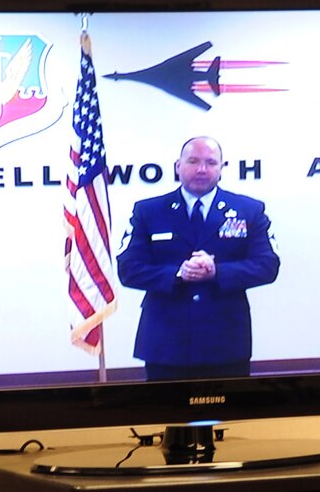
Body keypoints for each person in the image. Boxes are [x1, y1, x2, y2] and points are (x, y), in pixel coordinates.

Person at [117, 136, 279, 379]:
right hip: (165, 342)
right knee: (168, 414)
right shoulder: (148, 211)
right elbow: (128, 268)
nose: (202, 169)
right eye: (193, 161)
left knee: (230, 415)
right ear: (177, 166)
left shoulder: (249, 210)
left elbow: (268, 265)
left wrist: (217, 271)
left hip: (226, 341)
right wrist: (178, 273)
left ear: (222, 169)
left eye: (211, 162)